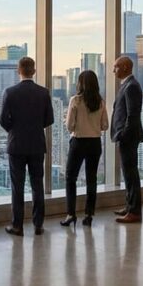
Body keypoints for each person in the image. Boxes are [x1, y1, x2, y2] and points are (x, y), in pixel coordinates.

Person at [0, 56, 54, 236]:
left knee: (18, 186)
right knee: (37, 185)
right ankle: (38, 225)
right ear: (34, 71)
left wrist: (14, 130)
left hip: (16, 146)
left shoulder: (10, 92)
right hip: (37, 144)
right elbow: (49, 119)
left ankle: (18, 226)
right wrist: (35, 127)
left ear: (18, 71)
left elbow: (2, 120)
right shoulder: (43, 92)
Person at [61, 70, 108, 228]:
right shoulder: (100, 102)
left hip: (78, 142)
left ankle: (70, 214)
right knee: (91, 179)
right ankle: (88, 215)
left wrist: (77, 125)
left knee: (70, 178)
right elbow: (105, 125)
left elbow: (69, 126)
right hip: (95, 143)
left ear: (80, 83)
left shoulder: (75, 100)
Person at [110, 56, 143, 223]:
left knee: (131, 174)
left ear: (124, 67)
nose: (113, 70)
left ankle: (135, 212)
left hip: (128, 138)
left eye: (115, 67)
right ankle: (130, 206)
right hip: (125, 137)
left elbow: (132, 115)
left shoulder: (131, 87)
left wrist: (123, 134)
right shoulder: (127, 85)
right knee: (128, 174)